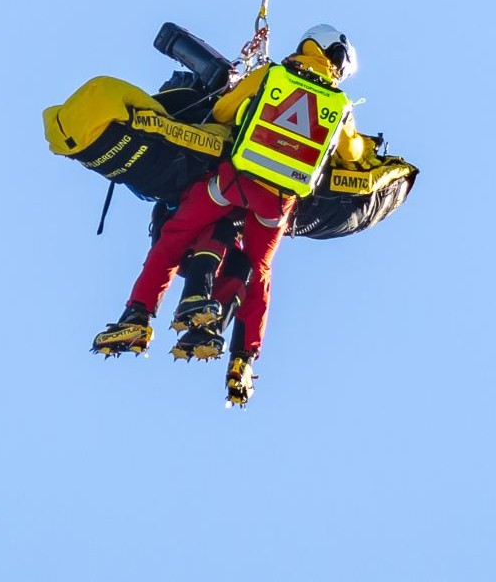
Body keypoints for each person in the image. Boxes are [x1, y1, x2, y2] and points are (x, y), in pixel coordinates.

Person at [92, 24, 364, 405]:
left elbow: (223, 109)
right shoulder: (341, 106)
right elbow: (352, 155)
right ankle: (243, 360)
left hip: (234, 180)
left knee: (173, 238)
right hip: (278, 203)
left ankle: (137, 317)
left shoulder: (272, 76)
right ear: (337, 63)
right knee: (260, 273)